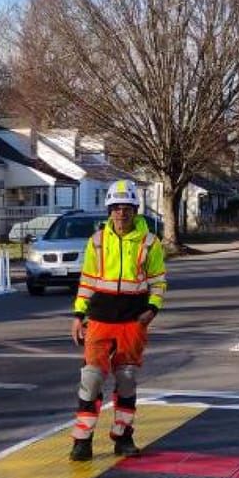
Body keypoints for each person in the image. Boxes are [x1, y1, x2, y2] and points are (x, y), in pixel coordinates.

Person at [69, 179, 167, 461]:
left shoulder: (150, 242)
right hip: (99, 318)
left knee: (126, 379)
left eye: (126, 208)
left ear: (135, 209)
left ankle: (123, 437)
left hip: (132, 320)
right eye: (115, 208)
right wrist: (78, 315)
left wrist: (152, 310)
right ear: (109, 210)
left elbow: (158, 282)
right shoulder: (97, 241)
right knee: (91, 378)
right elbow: (87, 280)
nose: (121, 213)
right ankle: (82, 441)